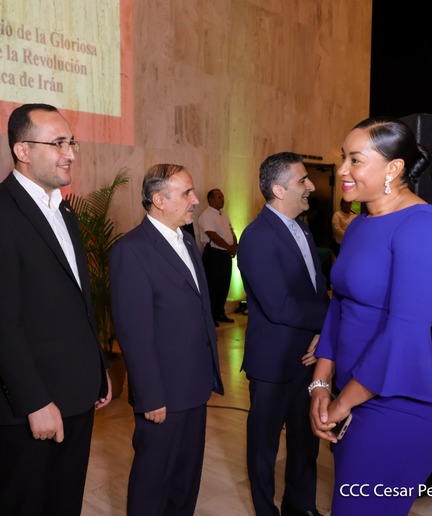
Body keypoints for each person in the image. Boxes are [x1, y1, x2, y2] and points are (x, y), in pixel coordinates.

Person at [0, 103, 111, 515]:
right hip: (33, 404)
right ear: (22, 150)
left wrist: (98, 368)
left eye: (71, 142)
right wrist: (34, 402)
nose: (70, 153)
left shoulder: (64, 210)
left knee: (65, 504)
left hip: (77, 395)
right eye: (58, 143)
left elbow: (77, 303)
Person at [309, 117, 432, 515]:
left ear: (394, 168)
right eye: (343, 157)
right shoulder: (359, 225)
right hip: (351, 397)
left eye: (355, 160)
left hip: (397, 407)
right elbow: (339, 306)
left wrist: (340, 405)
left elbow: (404, 334)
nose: (342, 170)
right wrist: (320, 383)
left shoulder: (423, 226)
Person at [110, 163, 224, 515]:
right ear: (159, 200)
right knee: (153, 481)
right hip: (162, 393)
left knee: (185, 479)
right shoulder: (131, 250)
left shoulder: (186, 240)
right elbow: (134, 333)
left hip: (194, 385)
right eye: (186, 193)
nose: (195, 200)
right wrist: (151, 395)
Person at [236, 152, 330, 516]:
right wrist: (332, 320)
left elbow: (315, 289)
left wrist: (323, 335)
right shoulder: (256, 237)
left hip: (309, 356)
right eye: (302, 180)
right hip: (273, 364)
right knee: (264, 448)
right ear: (278, 189)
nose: (311, 186)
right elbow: (278, 306)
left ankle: (300, 507)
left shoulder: (302, 228)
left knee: (306, 442)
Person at [198, 188, 237, 326]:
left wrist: (234, 246)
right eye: (219, 197)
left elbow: (231, 231)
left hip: (225, 255)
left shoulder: (224, 215)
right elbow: (212, 236)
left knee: (224, 285)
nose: (222, 199)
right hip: (214, 255)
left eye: (222, 197)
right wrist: (229, 247)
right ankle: (211, 316)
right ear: (211, 200)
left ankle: (220, 312)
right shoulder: (206, 215)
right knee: (213, 286)